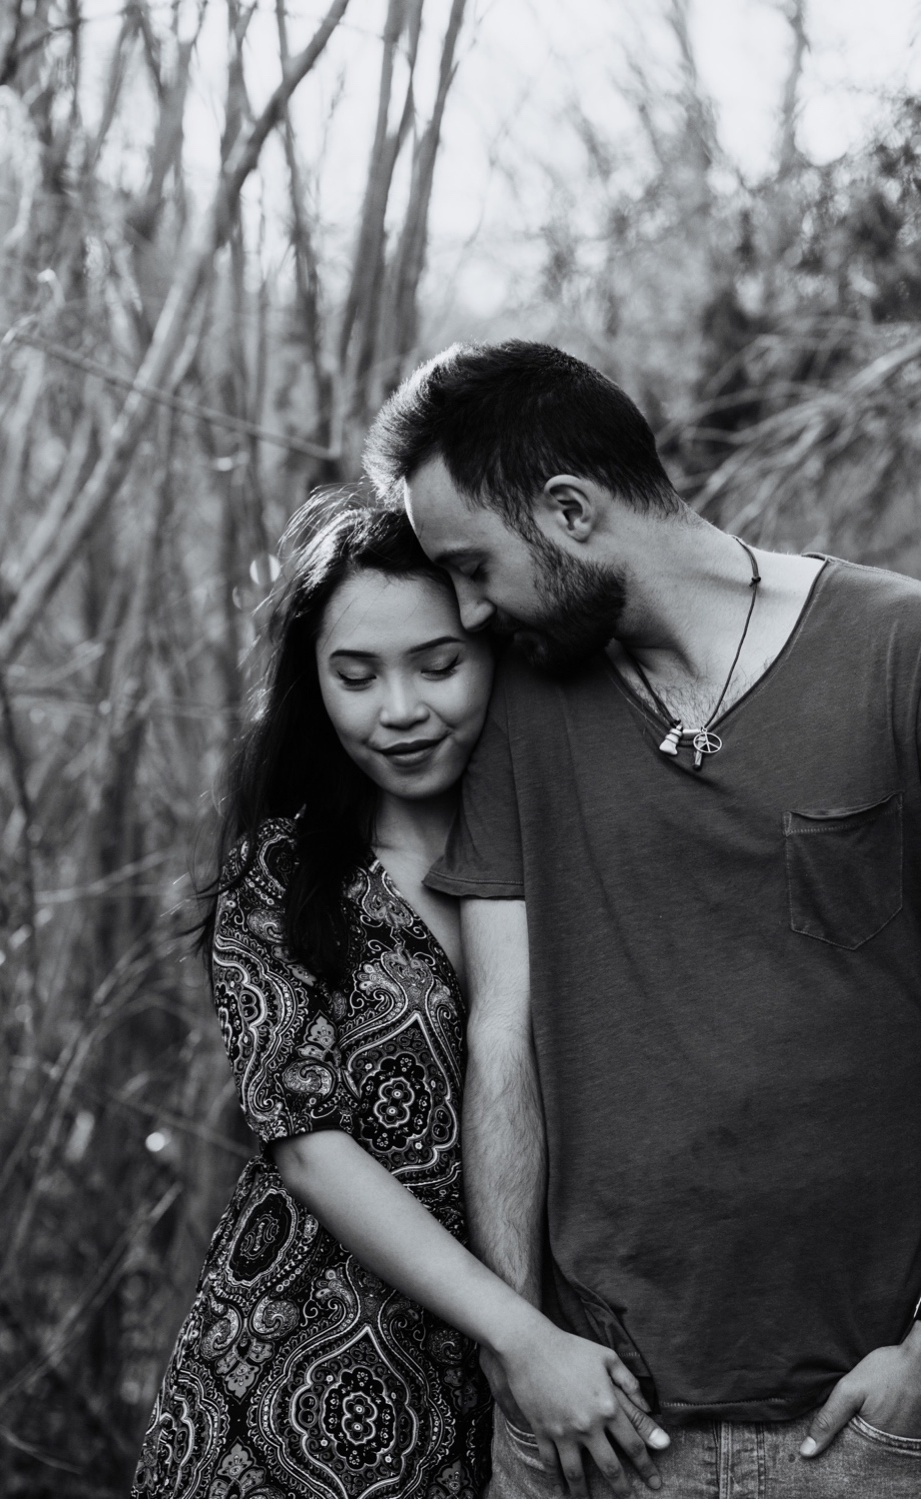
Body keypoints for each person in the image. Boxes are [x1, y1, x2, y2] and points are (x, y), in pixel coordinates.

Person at [363, 339, 921, 1498]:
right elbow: (500, 1035)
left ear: (568, 509)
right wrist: (519, 1348)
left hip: (866, 1425)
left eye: (472, 565)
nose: (466, 608)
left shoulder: (892, 650)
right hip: (597, 1424)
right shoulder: (520, 704)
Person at [133, 491, 664, 1499]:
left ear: (496, 649)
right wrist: (515, 1334)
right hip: (304, 1380)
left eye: (436, 662)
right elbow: (306, 1144)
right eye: (355, 674)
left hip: (583, 1366)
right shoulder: (285, 872)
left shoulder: (581, 848)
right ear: (312, 685)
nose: (399, 709)